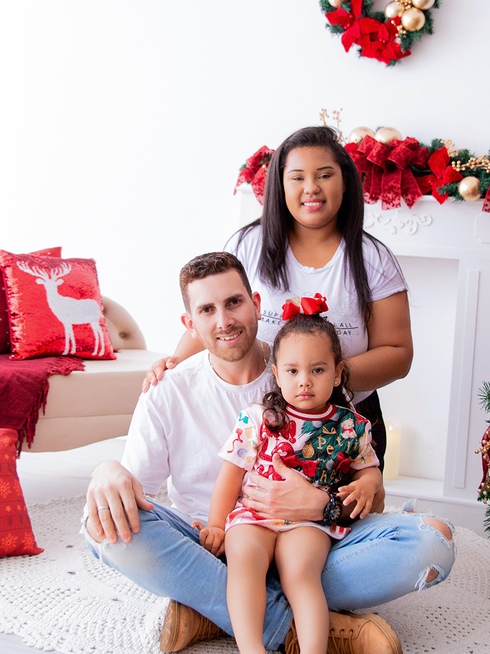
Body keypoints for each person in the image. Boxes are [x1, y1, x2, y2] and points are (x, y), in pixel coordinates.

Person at [84, 252, 454, 654]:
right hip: (213, 547)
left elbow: (370, 494)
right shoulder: (169, 390)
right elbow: (134, 490)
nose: (224, 320)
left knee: (433, 542)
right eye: (207, 310)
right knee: (102, 526)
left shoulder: (305, 367)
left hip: (313, 542)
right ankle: (308, 627)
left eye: (234, 303)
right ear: (190, 324)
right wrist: (106, 469)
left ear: (256, 304)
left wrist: (320, 506)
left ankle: (210, 610)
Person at [145, 125, 412, 479]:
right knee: (251, 514)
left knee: (332, 522)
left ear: (345, 182)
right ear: (280, 185)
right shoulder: (249, 245)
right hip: (260, 418)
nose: (311, 188)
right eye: (297, 177)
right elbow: (219, 315)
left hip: (346, 422)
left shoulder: (372, 258)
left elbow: (398, 353)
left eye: (325, 175)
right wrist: (176, 364)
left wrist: (323, 375)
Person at [204, 299, 381, 654]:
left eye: (317, 370)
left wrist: (367, 483)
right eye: (292, 371)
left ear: (338, 372)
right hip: (254, 514)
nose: (304, 382)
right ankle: (251, 647)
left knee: (301, 573)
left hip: (307, 521)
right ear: (276, 373)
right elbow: (231, 473)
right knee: (244, 562)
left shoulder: (351, 427)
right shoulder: (257, 419)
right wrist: (217, 526)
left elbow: (370, 471)